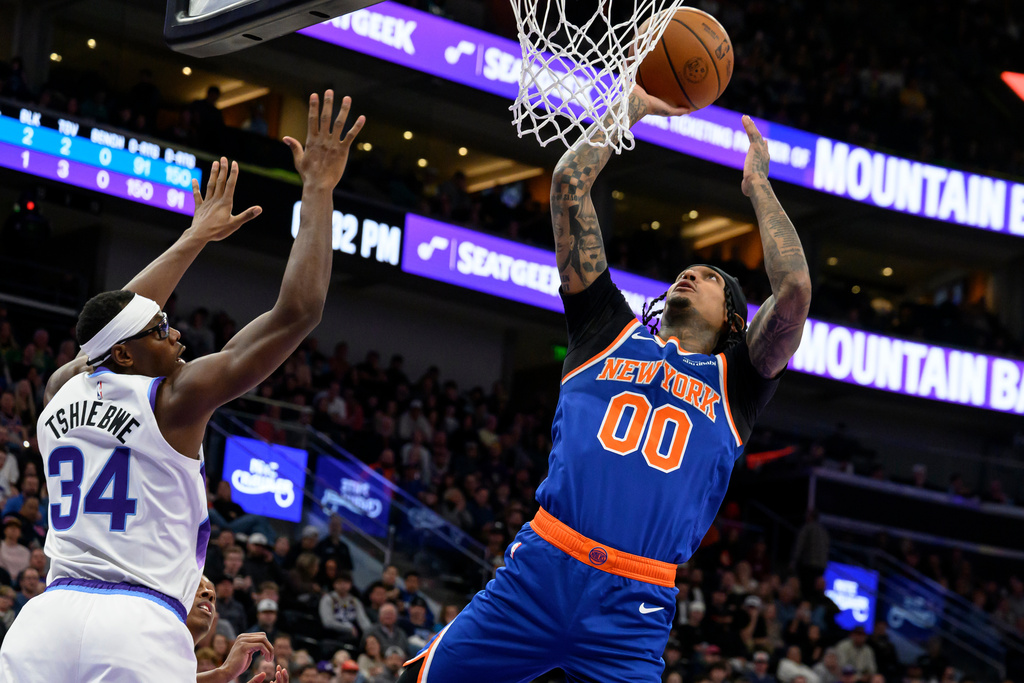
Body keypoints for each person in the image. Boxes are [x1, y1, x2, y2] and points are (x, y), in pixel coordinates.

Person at [398, 86, 810, 683]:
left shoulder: (738, 380)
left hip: (633, 605)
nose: (688, 274)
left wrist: (758, 187)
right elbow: (568, 185)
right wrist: (631, 110)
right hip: (542, 567)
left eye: (711, 277)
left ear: (734, 321)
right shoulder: (605, 329)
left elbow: (794, 289)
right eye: (684, 271)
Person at [0, 90, 365, 681]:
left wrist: (194, 238)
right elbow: (299, 311)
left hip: (42, 623)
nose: (177, 336)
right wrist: (319, 188)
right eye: (161, 329)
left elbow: (118, 320)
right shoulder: (173, 398)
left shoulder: (58, 392)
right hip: (138, 622)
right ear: (124, 352)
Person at [185, 574, 286, 683]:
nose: (210, 594)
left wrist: (224, 673)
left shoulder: (185, 659)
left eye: (214, 595)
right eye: (196, 587)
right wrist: (224, 673)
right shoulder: (165, 641)